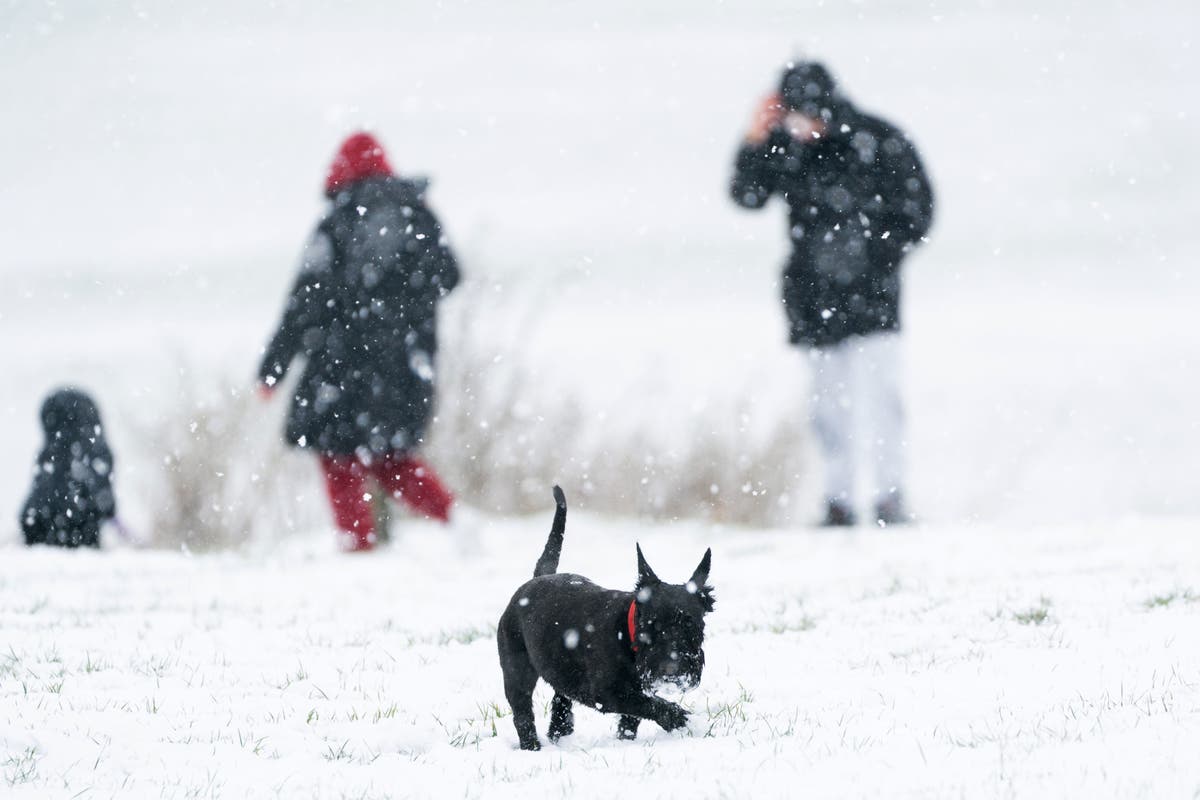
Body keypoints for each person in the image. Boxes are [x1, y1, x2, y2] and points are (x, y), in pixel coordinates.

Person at [730, 61, 934, 527]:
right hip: (811, 297)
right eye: (791, 117)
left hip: (874, 296)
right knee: (828, 407)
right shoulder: (785, 144)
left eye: (804, 116)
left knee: (882, 400)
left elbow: (919, 208)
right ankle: (838, 501)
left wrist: (874, 255)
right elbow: (745, 195)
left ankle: (890, 498)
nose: (801, 127)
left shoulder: (878, 139)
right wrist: (755, 136)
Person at [259, 132, 460, 551]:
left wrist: (273, 368)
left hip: (341, 366)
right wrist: (401, 304)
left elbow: (304, 300)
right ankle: (455, 520)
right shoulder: (417, 215)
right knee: (392, 459)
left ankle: (358, 545)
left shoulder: (338, 223)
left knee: (339, 459)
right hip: (405, 365)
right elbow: (449, 275)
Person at [21, 388, 117, 548]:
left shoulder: (49, 455)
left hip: (41, 529)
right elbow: (105, 502)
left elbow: (30, 513)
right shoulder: (97, 452)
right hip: (83, 532)